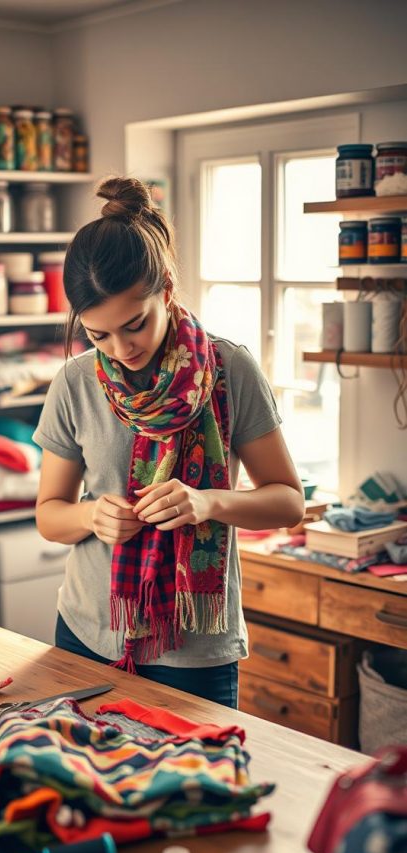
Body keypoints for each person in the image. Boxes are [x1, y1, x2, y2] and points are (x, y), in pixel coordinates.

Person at [33, 176, 304, 708]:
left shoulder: (230, 370)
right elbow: (49, 514)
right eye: (97, 334)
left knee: (197, 790)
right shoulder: (75, 383)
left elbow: (288, 502)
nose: (120, 348)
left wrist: (208, 502)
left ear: (167, 290)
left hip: (195, 651)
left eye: (134, 324)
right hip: (89, 634)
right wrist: (91, 517)